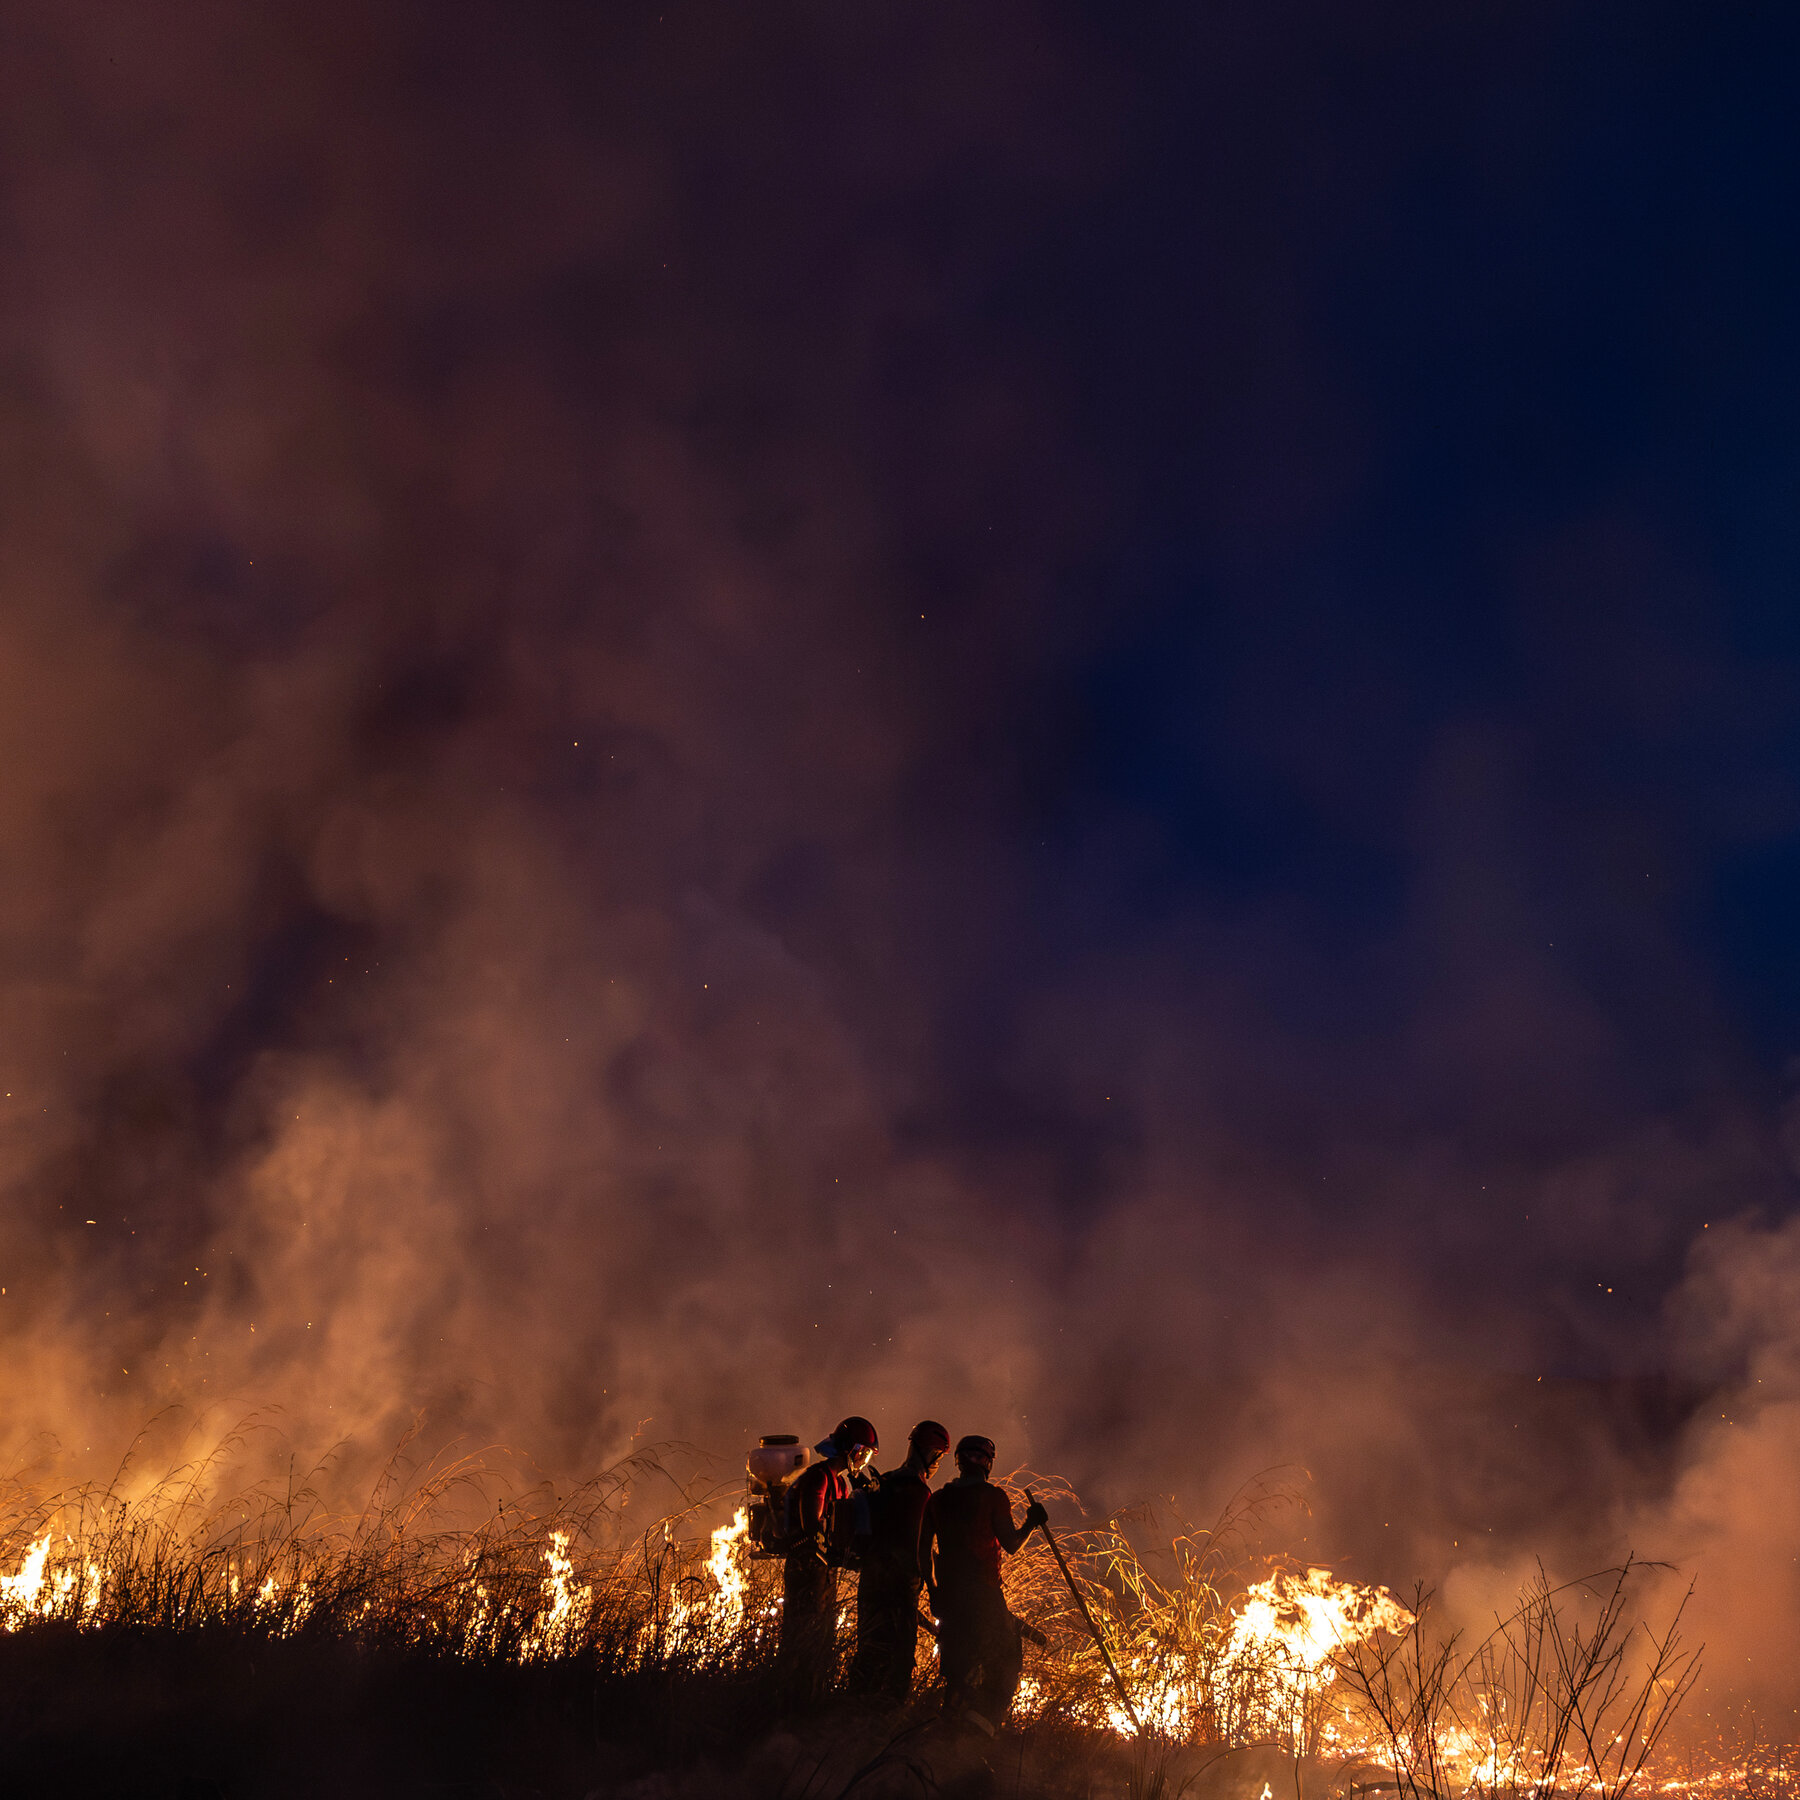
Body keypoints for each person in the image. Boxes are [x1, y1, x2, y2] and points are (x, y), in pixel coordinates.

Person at [918, 1434, 1047, 1734]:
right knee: (1005, 1659)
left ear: (958, 1461)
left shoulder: (937, 1499)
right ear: (988, 1463)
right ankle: (980, 1731)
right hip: (984, 1595)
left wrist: (933, 1591)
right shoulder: (993, 1497)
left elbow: (923, 1552)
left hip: (949, 1596)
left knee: (957, 1668)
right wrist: (1031, 1522)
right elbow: (1012, 1545)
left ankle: (946, 1733)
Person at [850, 1419, 951, 1700]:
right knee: (897, 1662)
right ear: (932, 1453)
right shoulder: (918, 1492)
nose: (938, 1465)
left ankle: (849, 1714)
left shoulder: (886, 1481)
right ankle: (883, 1726)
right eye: (939, 1458)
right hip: (898, 1588)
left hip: (870, 1580)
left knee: (868, 1650)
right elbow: (918, 1547)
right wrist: (932, 1589)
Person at [779, 1415, 879, 1697]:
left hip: (823, 1571)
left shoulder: (839, 1483)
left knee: (822, 1634)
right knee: (804, 1633)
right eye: (862, 1453)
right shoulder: (819, 1477)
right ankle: (795, 1696)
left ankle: (814, 1692)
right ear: (850, 1449)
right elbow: (813, 1529)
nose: (863, 1460)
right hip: (807, 1569)